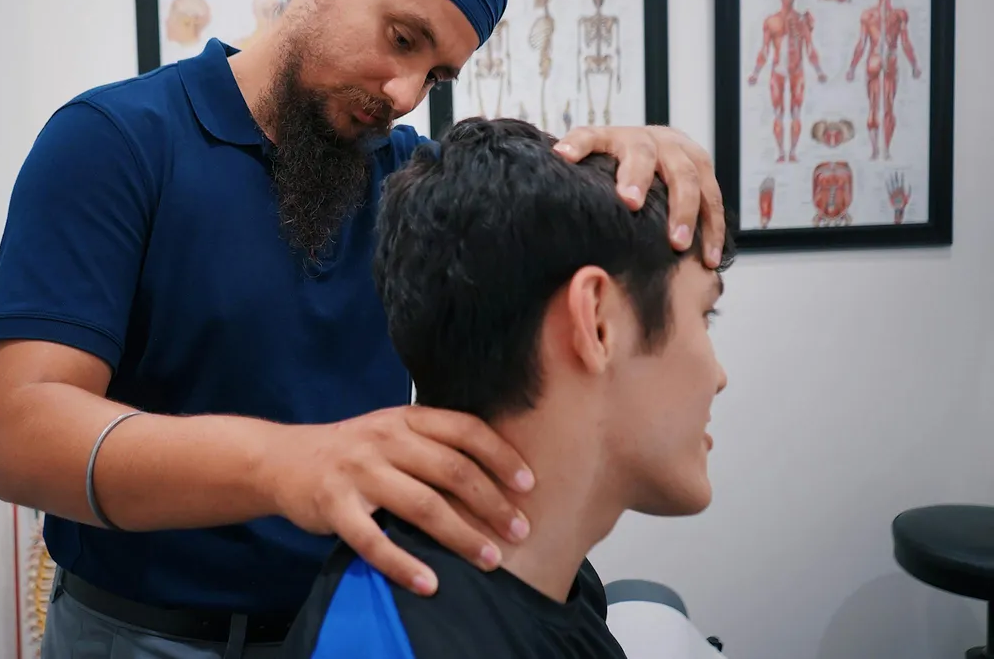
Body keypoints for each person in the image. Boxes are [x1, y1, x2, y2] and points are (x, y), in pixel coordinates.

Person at [0, 0, 728, 659]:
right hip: (143, 635)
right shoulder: (116, 143)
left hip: (350, 619)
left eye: (438, 73)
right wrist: (287, 465)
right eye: (402, 38)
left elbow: (547, 222)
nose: (406, 92)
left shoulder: (400, 174)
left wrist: (643, 150)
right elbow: (22, 436)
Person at [280, 118, 735, 658]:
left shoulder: (558, 581)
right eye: (705, 315)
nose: (719, 376)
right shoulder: (391, 639)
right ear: (597, 323)